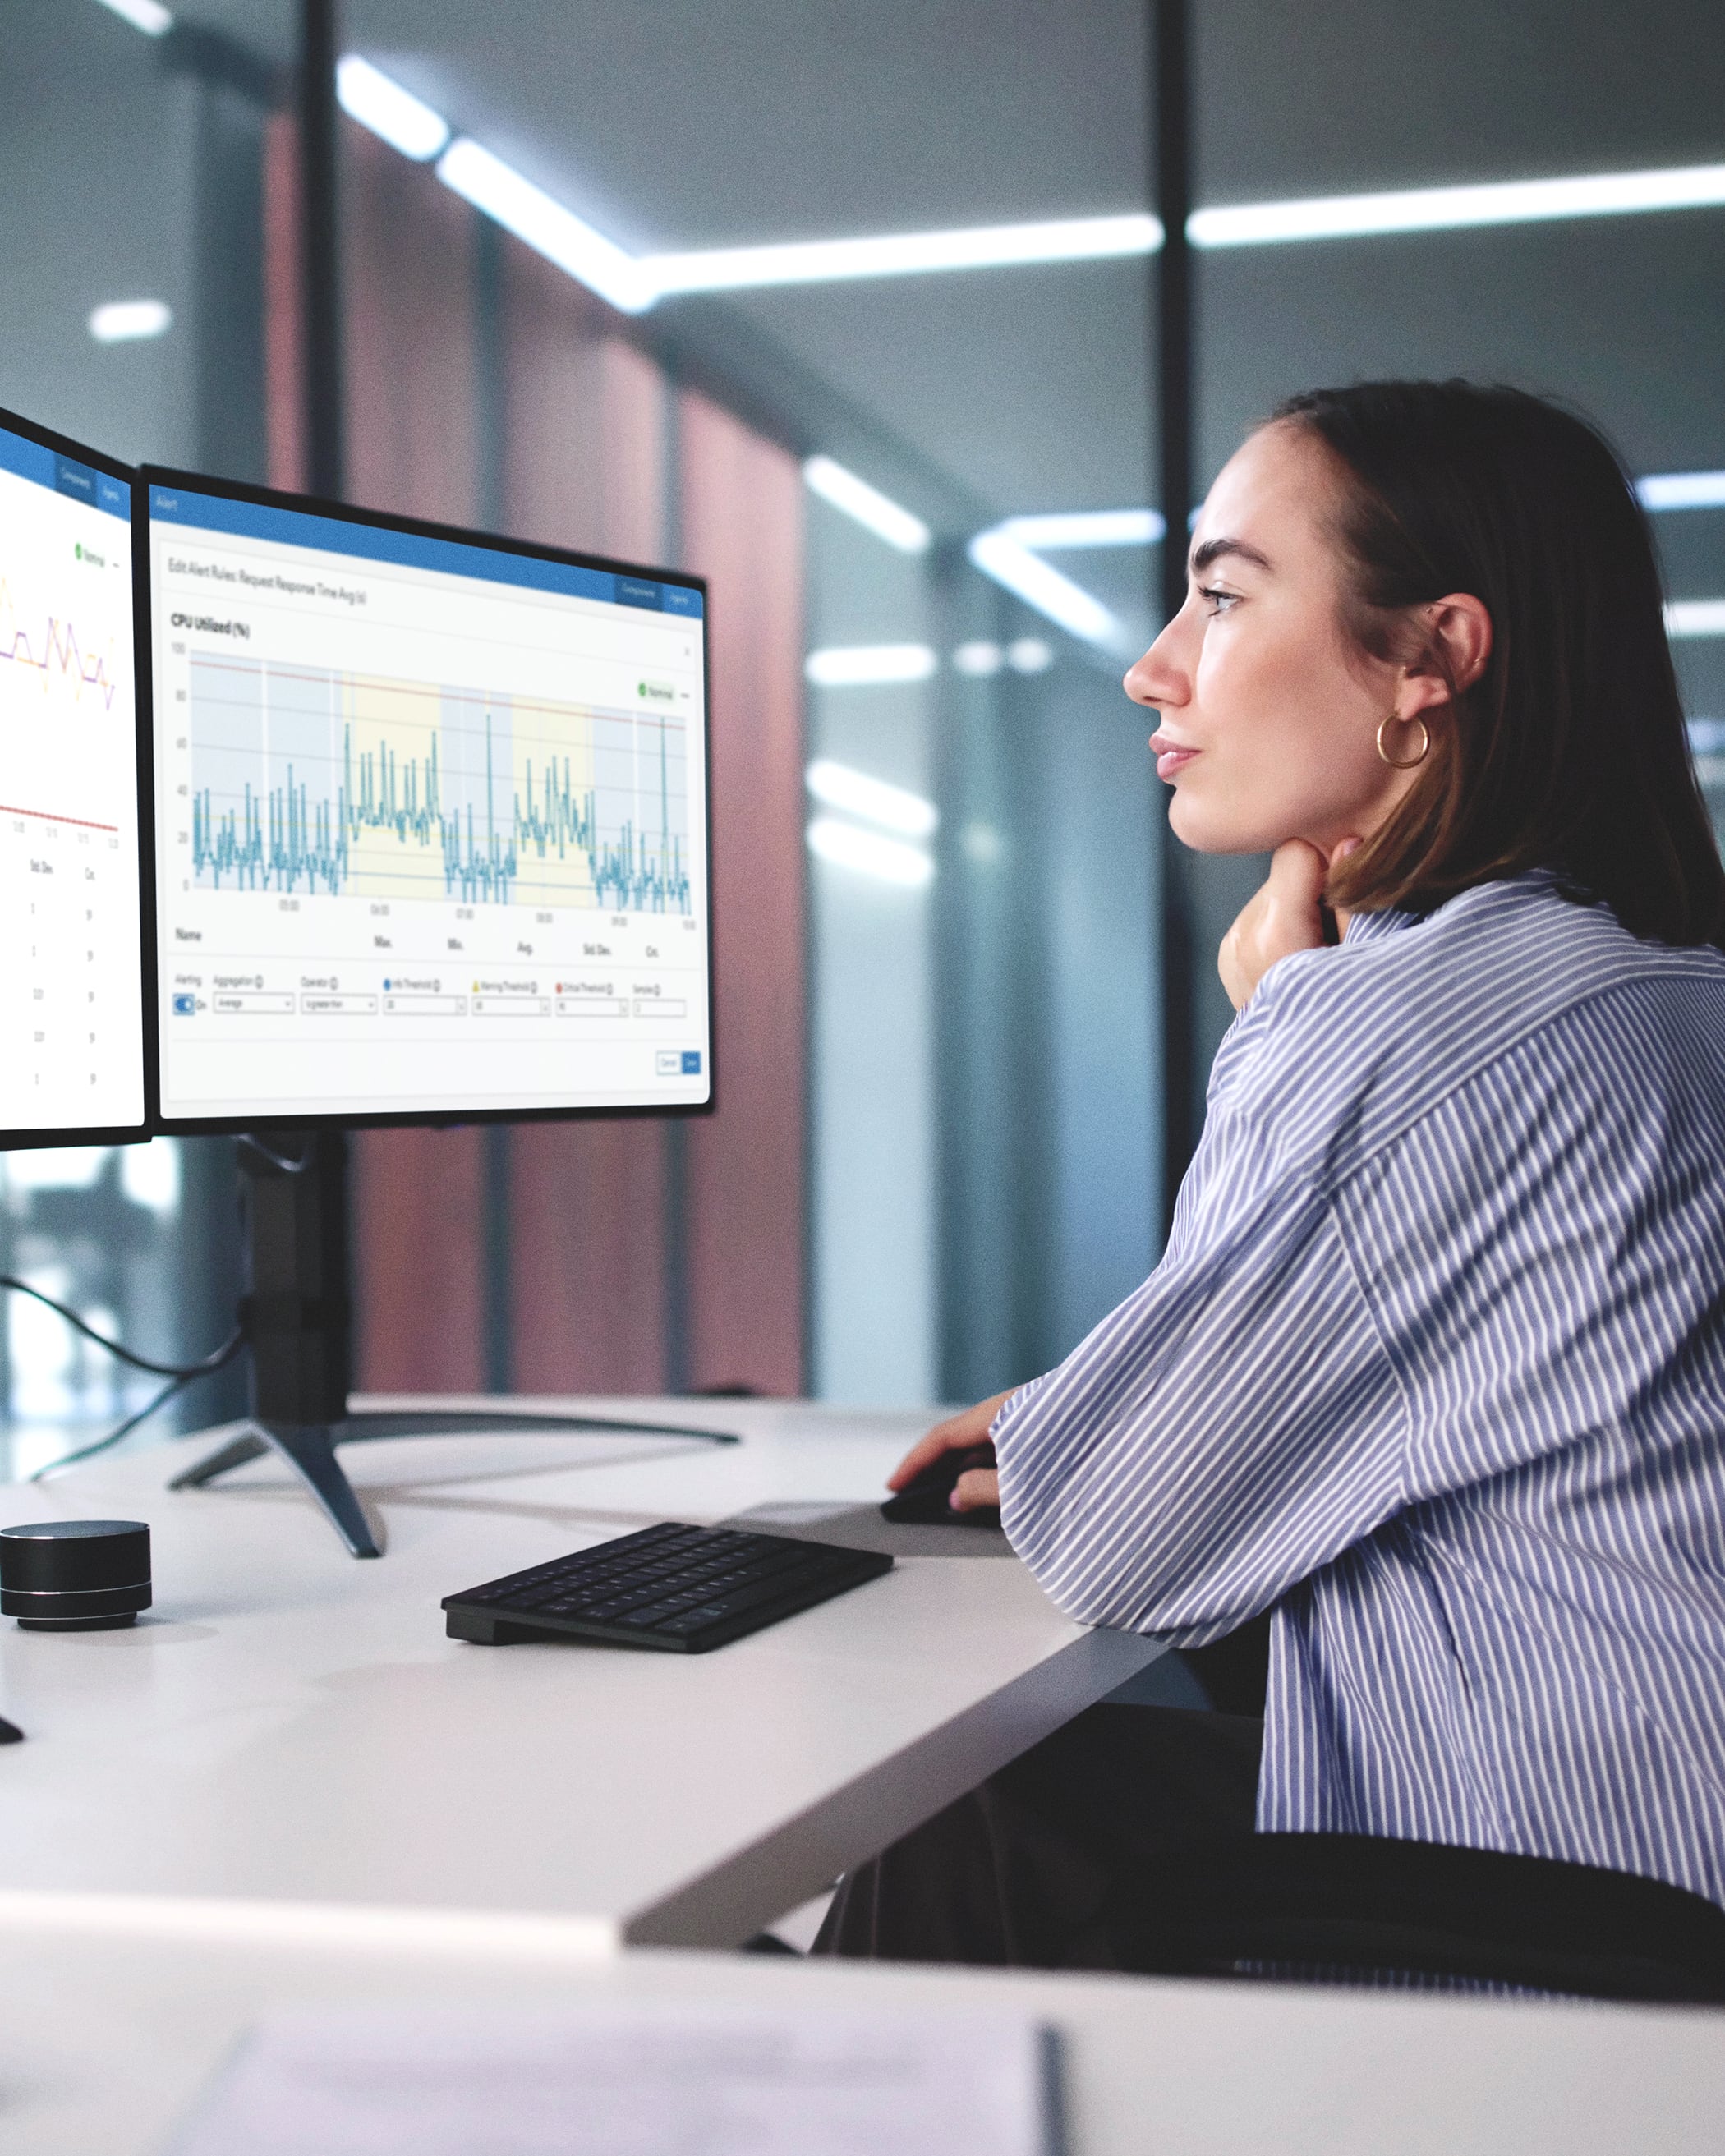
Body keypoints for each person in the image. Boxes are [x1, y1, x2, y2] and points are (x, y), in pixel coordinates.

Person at [815, 379, 1725, 1968]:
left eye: (1224, 597)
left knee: (967, 1806)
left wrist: (1291, 1026)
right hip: (1666, 1814)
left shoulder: (1401, 1026)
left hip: (1583, 1874)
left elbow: (1114, 1540)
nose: (1153, 665)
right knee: (1030, 1803)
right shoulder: (1662, 981)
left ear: (1431, 658)